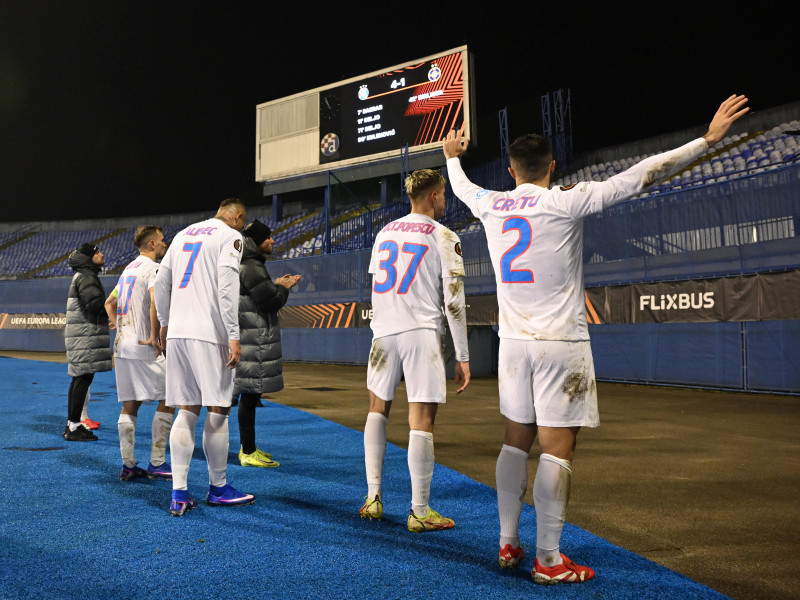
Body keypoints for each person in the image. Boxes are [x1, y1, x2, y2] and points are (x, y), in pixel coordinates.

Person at [442, 95, 750, 584]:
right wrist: (706, 141)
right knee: (557, 448)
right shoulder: (567, 200)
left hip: (513, 345)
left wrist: (451, 158)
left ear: (511, 170)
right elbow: (639, 176)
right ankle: (548, 560)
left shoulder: (492, 204)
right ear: (552, 166)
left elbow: (462, 188)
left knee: (515, 443)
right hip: (560, 344)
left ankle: (507, 542)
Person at [359, 168, 471, 532]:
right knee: (421, 421)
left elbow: (377, 286)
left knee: (377, 411)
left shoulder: (385, 232)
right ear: (434, 196)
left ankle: (373, 498)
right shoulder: (443, 235)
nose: (445, 201)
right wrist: (463, 355)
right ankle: (419, 511)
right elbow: (454, 302)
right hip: (421, 333)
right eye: (444, 195)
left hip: (383, 333)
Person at [154, 198, 254, 517]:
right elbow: (227, 285)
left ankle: (179, 493)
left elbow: (161, 282)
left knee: (186, 409)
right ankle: (218, 488)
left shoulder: (183, 234)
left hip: (178, 332)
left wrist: (165, 322)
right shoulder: (230, 236)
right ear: (237, 217)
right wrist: (233, 334)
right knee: (219, 408)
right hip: (210, 333)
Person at [104, 226, 175, 481]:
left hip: (122, 344)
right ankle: (157, 461)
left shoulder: (128, 269)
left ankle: (128, 465)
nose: (165, 244)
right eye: (162, 240)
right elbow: (155, 301)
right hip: (143, 345)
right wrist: (155, 335)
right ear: (152, 244)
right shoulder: (153, 269)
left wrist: (116, 322)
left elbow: (109, 303)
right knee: (170, 396)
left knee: (130, 403)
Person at [232, 219, 300, 468]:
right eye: (268, 237)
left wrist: (275, 285)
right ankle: (248, 451)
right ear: (257, 241)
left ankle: (248, 447)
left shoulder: (248, 263)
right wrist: (283, 288)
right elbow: (271, 301)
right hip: (254, 338)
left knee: (250, 394)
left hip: (251, 335)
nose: (272, 240)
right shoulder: (251, 266)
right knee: (249, 395)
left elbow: (261, 294)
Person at [64, 243, 112, 441]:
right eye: (97, 252)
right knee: (82, 379)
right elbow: (94, 303)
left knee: (80, 379)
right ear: (88, 257)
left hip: (83, 335)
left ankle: (73, 425)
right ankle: (73, 428)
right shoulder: (86, 276)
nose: (101, 254)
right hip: (85, 335)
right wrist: (114, 306)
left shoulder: (84, 275)